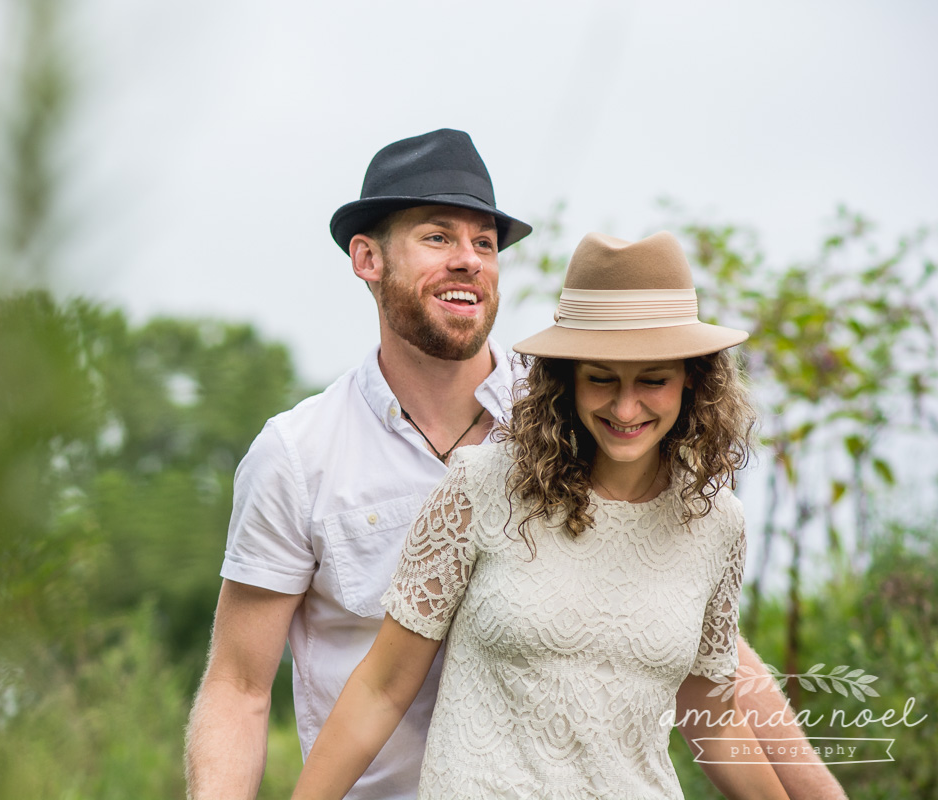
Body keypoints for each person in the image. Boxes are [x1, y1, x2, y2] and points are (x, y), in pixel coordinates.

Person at [185, 130, 846, 800]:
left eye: (485, 243)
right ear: (367, 258)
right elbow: (239, 688)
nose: (469, 260)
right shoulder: (300, 456)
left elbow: (699, 653)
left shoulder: (584, 422)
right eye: (438, 237)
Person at [292, 231, 789, 799]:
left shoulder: (717, 523)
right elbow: (381, 690)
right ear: (567, 377)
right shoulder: (482, 486)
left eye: (653, 380)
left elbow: (714, 719)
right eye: (601, 377)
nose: (625, 408)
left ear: (692, 380)